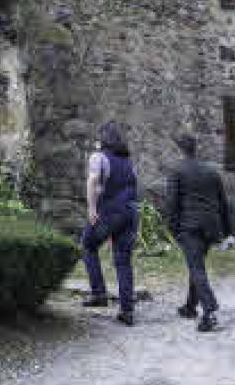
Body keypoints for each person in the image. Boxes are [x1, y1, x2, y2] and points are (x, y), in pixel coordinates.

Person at [165, 132, 234, 332]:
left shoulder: (176, 170)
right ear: (195, 149)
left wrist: (172, 228)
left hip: (190, 227)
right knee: (197, 265)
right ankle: (190, 307)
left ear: (179, 149)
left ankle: (209, 312)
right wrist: (228, 232)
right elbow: (223, 204)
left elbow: (171, 204)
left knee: (196, 268)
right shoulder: (211, 171)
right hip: (211, 227)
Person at [81, 121, 139, 326]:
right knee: (123, 261)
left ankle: (98, 293)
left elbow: (93, 180)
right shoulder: (128, 161)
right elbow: (128, 184)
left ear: (102, 139)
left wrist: (91, 208)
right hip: (131, 212)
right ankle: (127, 311)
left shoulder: (99, 157)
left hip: (110, 212)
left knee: (88, 245)